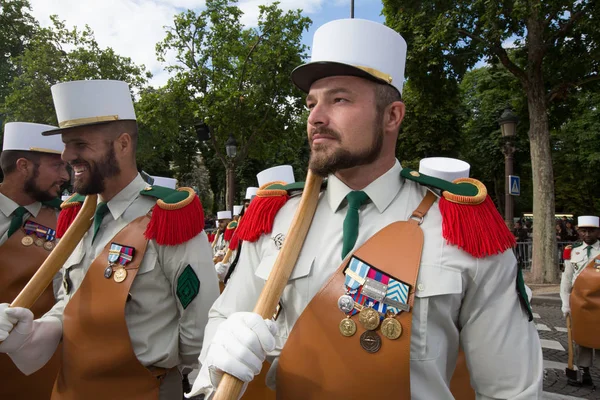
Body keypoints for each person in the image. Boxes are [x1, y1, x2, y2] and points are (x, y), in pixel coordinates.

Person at [188, 18, 542, 399]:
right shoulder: (276, 217)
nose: (315, 118)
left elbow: (510, 388)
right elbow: (225, 317)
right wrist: (218, 355)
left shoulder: (459, 226)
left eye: (339, 99)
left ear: (392, 116)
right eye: (311, 103)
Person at [0, 80, 219, 399]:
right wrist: (33, 332)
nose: (66, 155)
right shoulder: (75, 218)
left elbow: (200, 323)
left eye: (79, 144)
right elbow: (70, 302)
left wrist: (195, 386)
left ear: (123, 144)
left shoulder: (168, 217)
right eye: (65, 144)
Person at [0, 122, 68, 399]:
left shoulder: (70, 221)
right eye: (56, 166)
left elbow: (72, 293)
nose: (65, 174)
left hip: (37, 371)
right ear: (24, 165)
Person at [560, 215, 600, 387]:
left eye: (591, 231)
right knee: (582, 338)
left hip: (598, 300)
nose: (587, 234)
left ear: (598, 232)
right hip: (579, 301)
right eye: (583, 231)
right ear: (578, 231)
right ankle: (585, 373)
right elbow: (567, 278)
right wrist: (565, 302)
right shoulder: (573, 250)